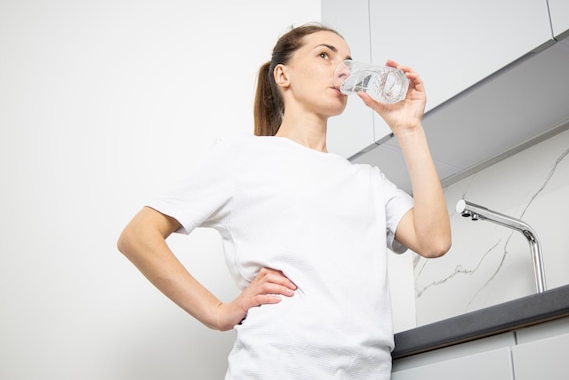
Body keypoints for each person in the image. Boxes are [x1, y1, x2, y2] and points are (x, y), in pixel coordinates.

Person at [117, 23, 451, 379]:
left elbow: (434, 241)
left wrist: (408, 127)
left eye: (349, 61)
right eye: (324, 55)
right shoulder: (242, 157)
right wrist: (216, 312)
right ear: (283, 74)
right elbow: (138, 236)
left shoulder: (368, 181)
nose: (343, 69)